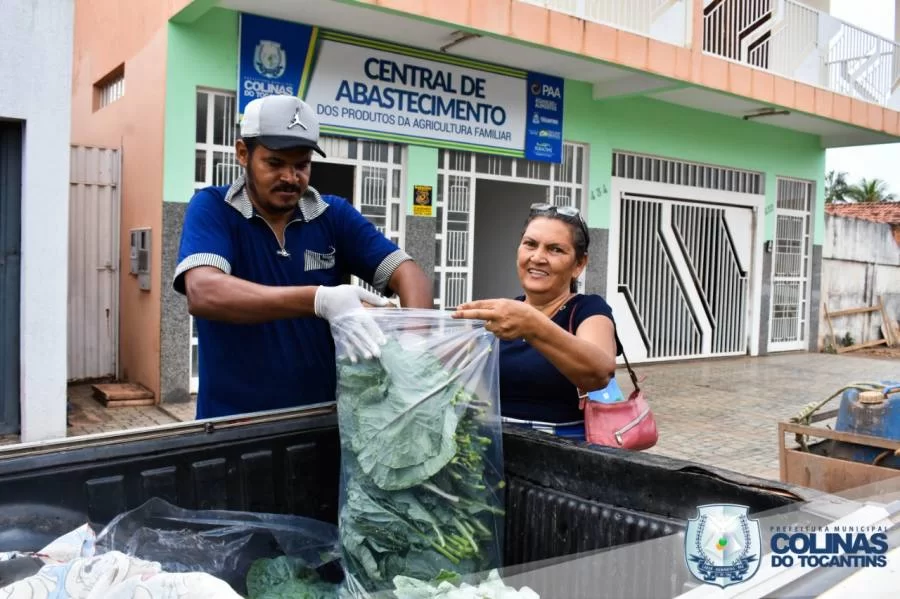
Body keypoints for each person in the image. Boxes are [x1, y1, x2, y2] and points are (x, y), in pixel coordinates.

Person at [173, 94, 432, 419]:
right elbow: (204, 293)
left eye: (302, 164)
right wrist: (319, 300)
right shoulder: (214, 209)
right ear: (243, 153)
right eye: (275, 163)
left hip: (323, 423)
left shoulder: (333, 215)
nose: (291, 177)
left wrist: (416, 346)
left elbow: (408, 274)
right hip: (233, 426)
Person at [452, 203, 621, 439]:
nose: (538, 257)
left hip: (566, 458)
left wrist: (532, 324)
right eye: (530, 244)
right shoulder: (505, 314)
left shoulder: (588, 309)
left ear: (579, 264)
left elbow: (599, 373)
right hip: (494, 452)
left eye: (555, 250)